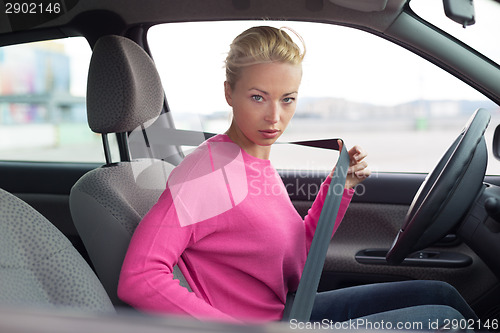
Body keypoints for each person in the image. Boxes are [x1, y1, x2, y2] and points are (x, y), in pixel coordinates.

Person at [118, 26, 477, 327]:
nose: (275, 116)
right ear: (229, 93)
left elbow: (296, 266)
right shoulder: (207, 172)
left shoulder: (254, 161)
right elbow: (139, 277)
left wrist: (340, 188)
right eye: (258, 98)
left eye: (287, 99)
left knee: (440, 294)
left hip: (289, 313)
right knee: (444, 319)